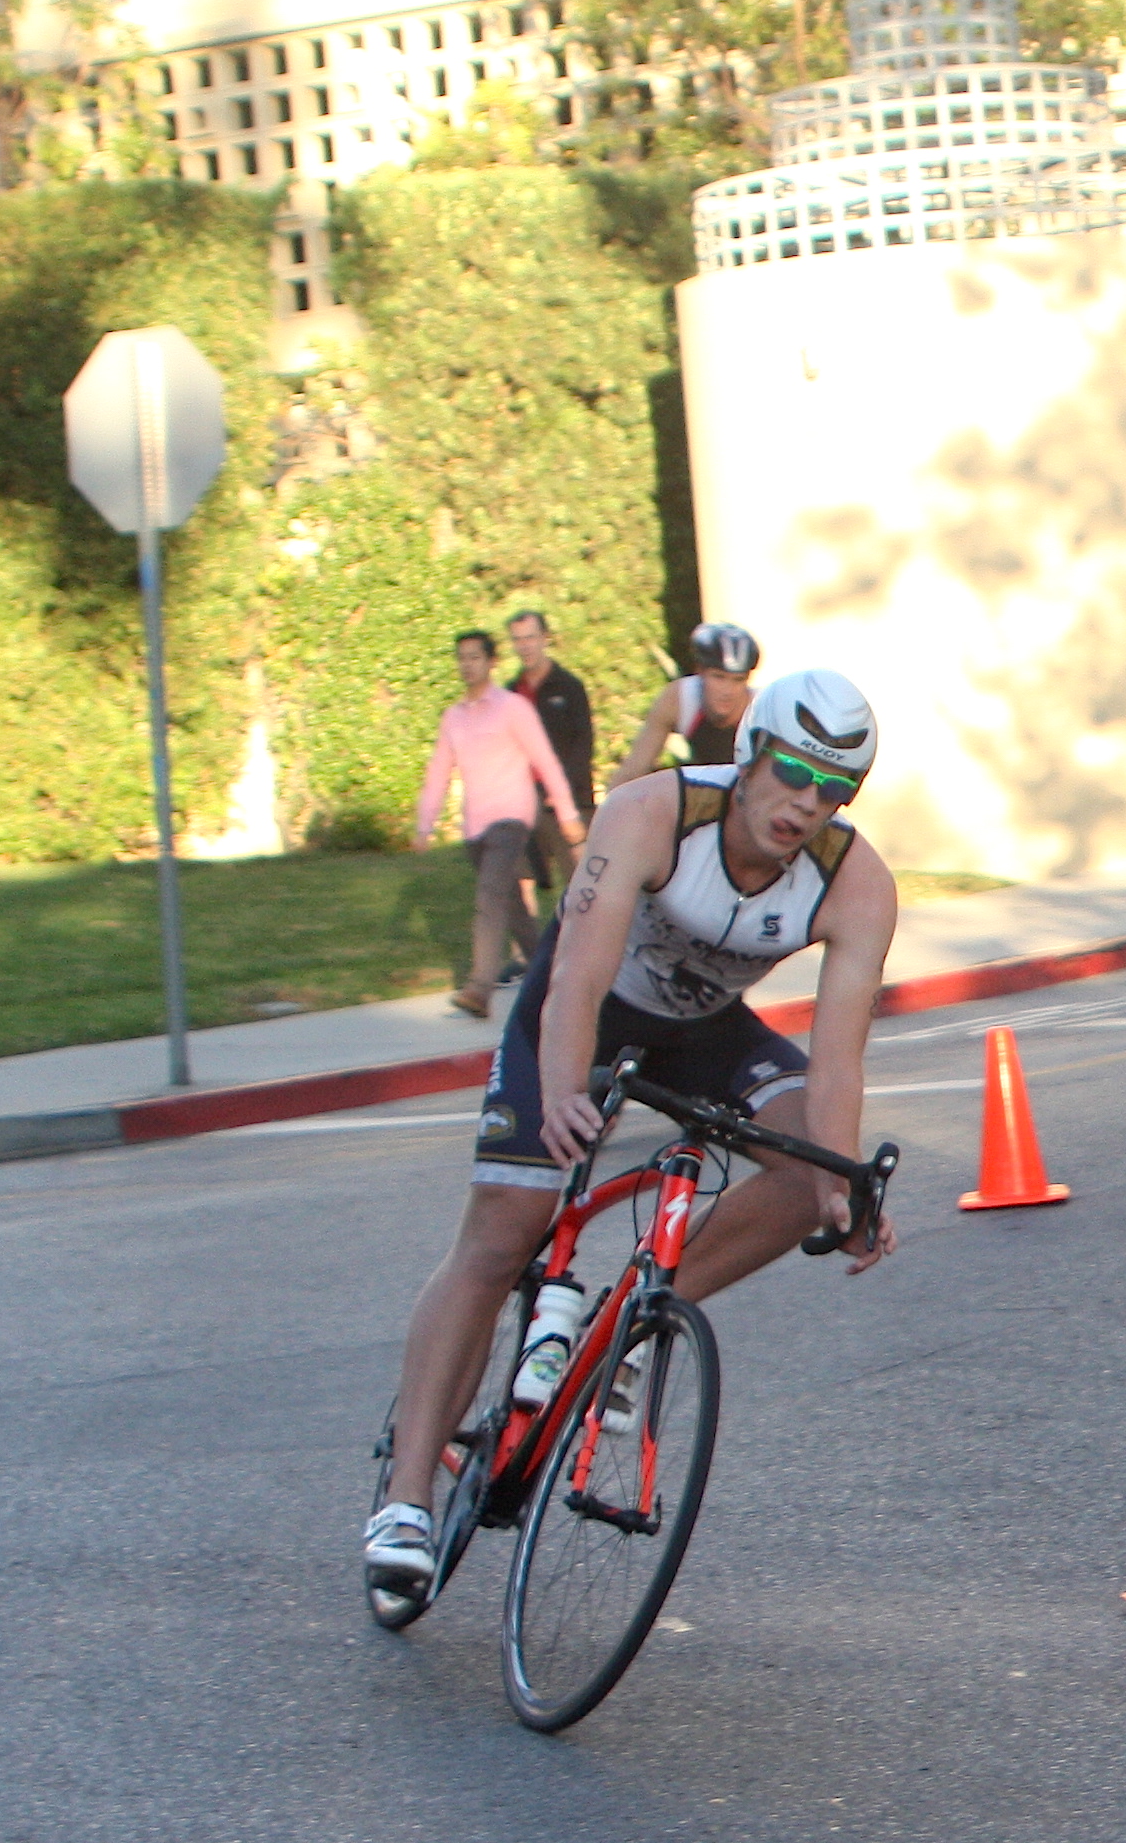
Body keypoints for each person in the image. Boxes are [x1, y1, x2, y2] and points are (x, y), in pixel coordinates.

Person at [361, 670, 898, 1603]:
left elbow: (838, 1061)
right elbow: (576, 972)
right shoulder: (654, 812)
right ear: (749, 754)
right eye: (789, 772)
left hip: (705, 1029)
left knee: (807, 1168)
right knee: (505, 1231)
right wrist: (567, 1094)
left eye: (833, 789)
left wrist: (841, 1183)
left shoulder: (857, 882)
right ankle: (406, 1497)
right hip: (589, 1010)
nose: (804, 804)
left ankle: (628, 1327)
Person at [416, 629, 585, 1018]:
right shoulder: (453, 717)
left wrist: (567, 812)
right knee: (513, 908)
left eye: (475, 657)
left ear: (491, 662)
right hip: (475, 825)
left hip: (510, 818)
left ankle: (479, 989)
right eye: (462, 658)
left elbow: (545, 761)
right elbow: (439, 770)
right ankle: (551, 976)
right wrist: (425, 822)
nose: (467, 665)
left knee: (489, 898)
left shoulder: (513, 708)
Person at [503, 610, 597, 909]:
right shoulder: (510, 693)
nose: (525, 646)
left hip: (569, 800)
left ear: (545, 638)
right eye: (518, 640)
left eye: (530, 637)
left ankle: (587, 947)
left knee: (581, 881)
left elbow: (584, 743)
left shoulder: (569, 687)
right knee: (521, 879)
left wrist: (564, 793)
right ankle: (525, 953)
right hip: (525, 802)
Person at [614, 622, 762, 784]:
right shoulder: (679, 698)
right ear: (700, 671)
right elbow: (635, 768)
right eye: (718, 677)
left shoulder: (760, 712)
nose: (727, 691)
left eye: (738, 680)